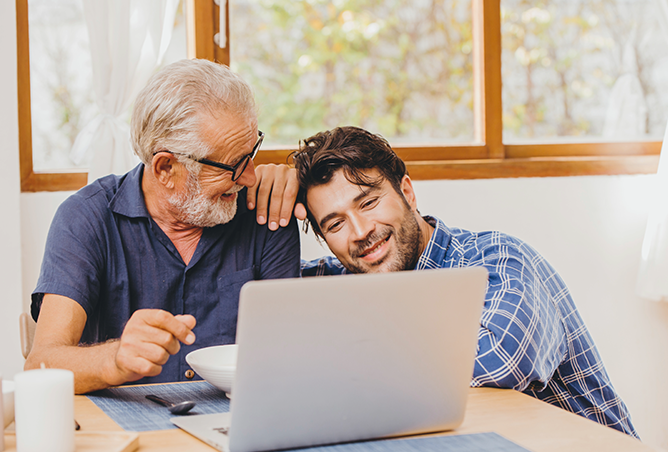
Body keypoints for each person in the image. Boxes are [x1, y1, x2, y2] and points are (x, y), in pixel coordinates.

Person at [251, 126, 638, 437]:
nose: (360, 231)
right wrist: (255, 193)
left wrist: (343, 362)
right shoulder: (344, 279)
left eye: (368, 202)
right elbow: (257, 303)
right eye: (335, 224)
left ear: (407, 191)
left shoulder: (498, 258)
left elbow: (503, 361)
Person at [25, 59, 300, 394]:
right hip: (122, 431)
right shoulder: (86, 218)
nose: (250, 176)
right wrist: (114, 359)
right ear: (166, 167)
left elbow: (288, 359)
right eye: (233, 165)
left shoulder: (264, 214)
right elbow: (42, 363)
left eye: (250, 152)